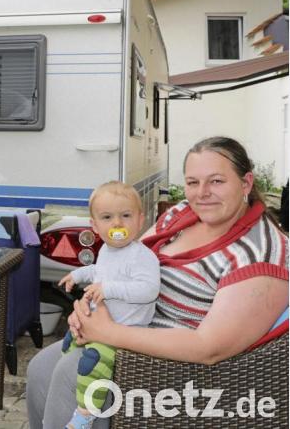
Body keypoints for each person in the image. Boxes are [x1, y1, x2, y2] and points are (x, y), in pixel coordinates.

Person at [26, 136, 289, 429]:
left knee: (70, 374)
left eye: (216, 181)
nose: (202, 193)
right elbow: (128, 261)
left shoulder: (261, 252)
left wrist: (109, 331)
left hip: (176, 370)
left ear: (246, 183)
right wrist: (87, 311)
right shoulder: (182, 215)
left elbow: (210, 347)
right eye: (192, 182)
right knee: (39, 368)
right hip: (128, 328)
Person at [57, 181, 160, 429]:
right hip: (100, 324)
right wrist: (78, 275)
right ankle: (69, 388)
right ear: (94, 225)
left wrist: (108, 289)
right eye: (107, 217)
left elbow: (149, 290)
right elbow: (99, 271)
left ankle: (85, 413)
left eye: (126, 216)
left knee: (93, 361)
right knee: (69, 343)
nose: (117, 224)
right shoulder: (106, 250)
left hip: (126, 331)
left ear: (140, 220)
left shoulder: (141, 256)